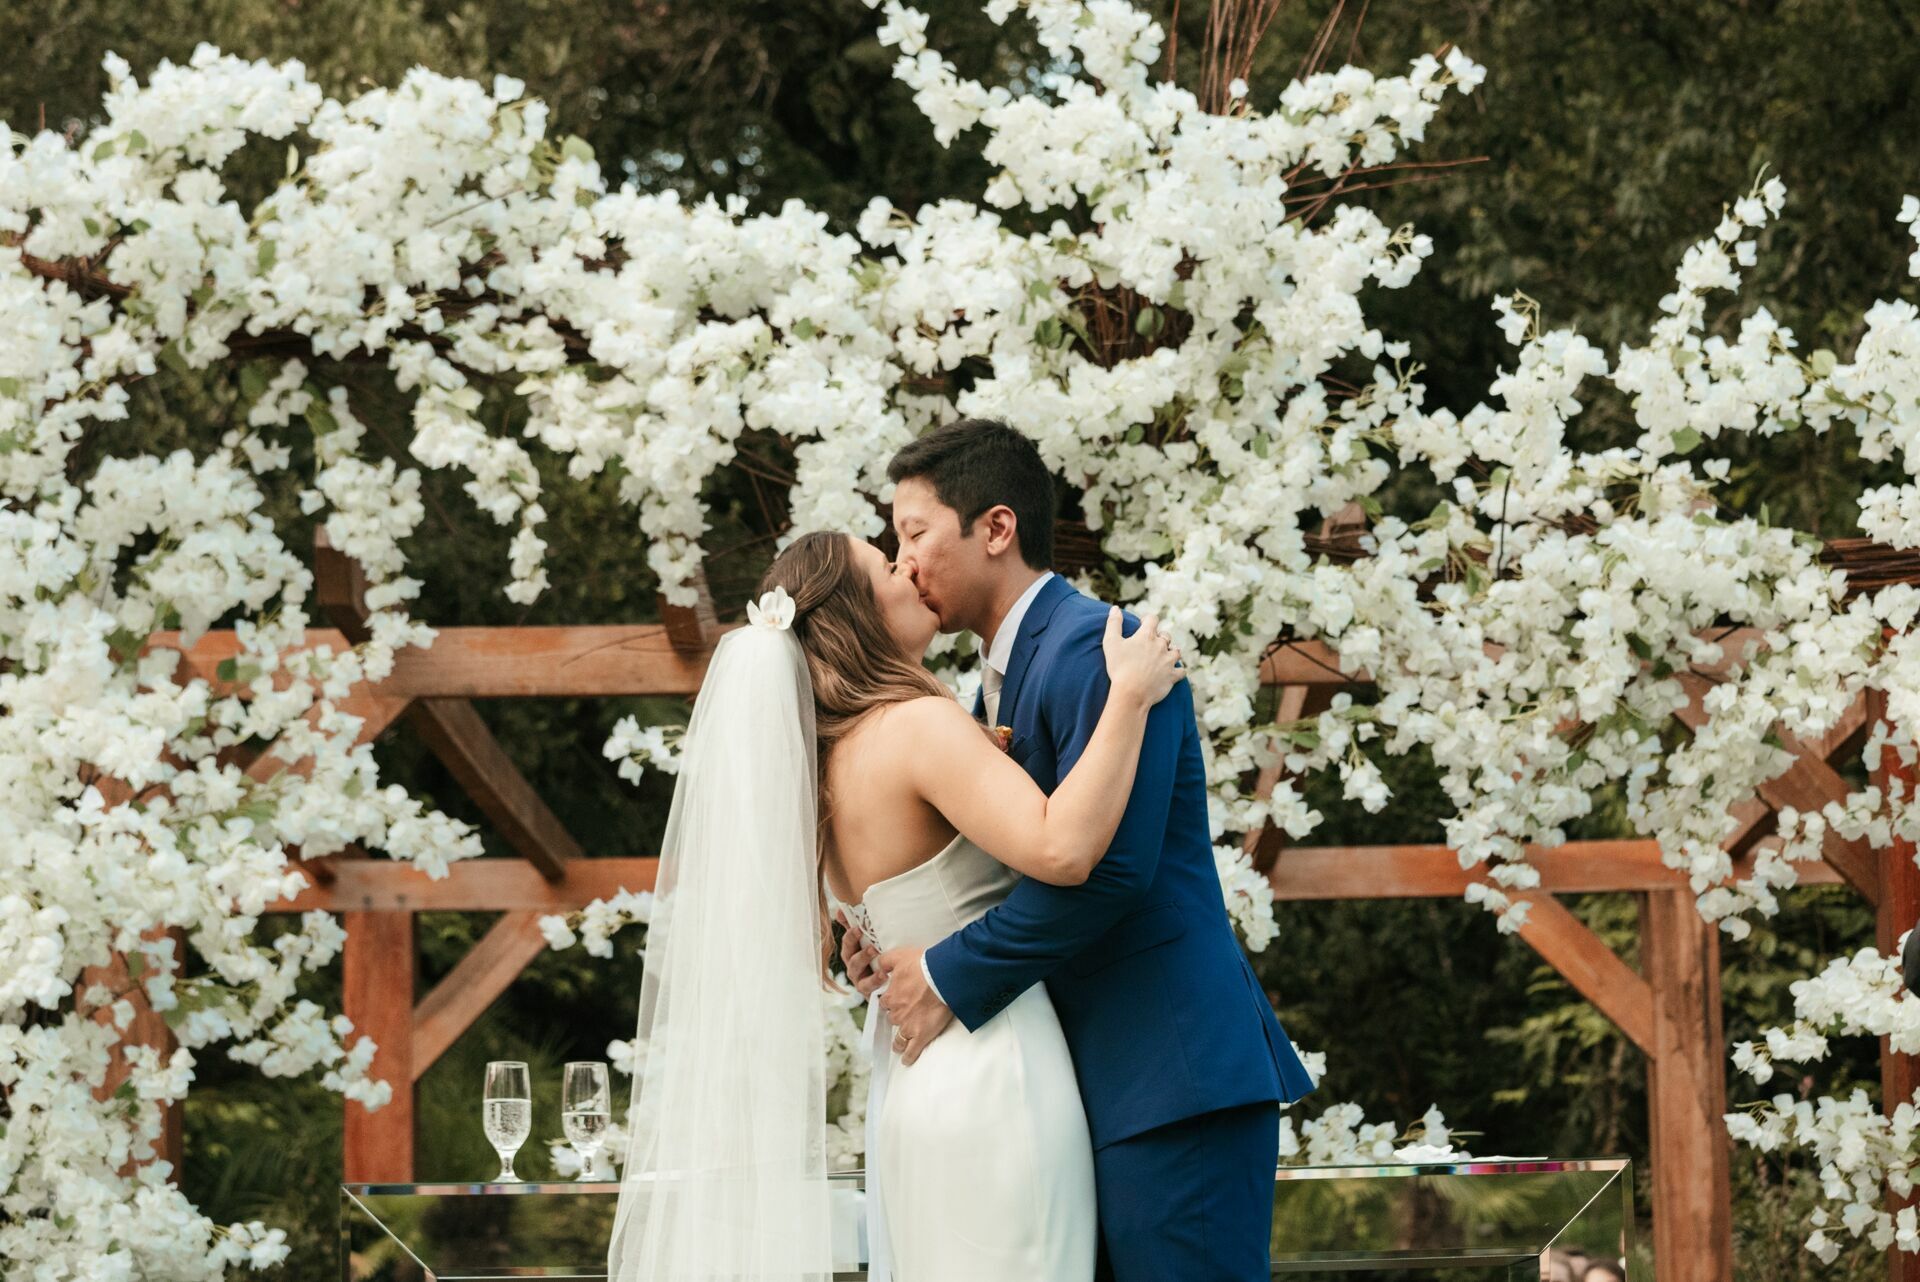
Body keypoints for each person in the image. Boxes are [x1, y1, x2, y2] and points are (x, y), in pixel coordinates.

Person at [607, 518, 1187, 1280]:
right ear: (857, 611)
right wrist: (1131, 698)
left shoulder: (816, 767)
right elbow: (1062, 848)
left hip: (912, 1083)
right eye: (887, 565)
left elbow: (876, 910)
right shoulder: (916, 727)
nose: (910, 571)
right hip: (993, 1068)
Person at [842, 417, 1317, 1282]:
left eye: (914, 534)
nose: (904, 562)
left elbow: (1113, 875)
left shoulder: (1100, 649)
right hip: (1090, 1085)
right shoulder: (991, 680)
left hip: (1169, 1078)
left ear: (995, 528)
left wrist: (947, 972)